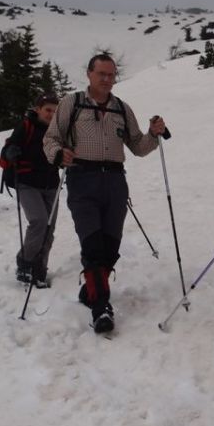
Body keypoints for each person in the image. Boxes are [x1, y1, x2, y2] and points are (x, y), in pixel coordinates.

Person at [43, 53, 166, 333]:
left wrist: (153, 134)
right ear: (89, 74)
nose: (108, 80)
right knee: (93, 244)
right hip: (82, 178)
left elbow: (138, 145)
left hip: (114, 181)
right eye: (102, 74)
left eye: (111, 75)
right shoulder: (71, 104)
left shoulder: (122, 108)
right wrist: (58, 154)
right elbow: (50, 138)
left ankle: (92, 290)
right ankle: (101, 308)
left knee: (111, 246)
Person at [3, 94, 62, 288]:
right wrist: (10, 152)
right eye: (48, 110)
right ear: (38, 109)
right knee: (39, 221)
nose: (51, 114)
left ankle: (39, 269)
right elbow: (8, 149)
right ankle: (25, 263)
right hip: (27, 183)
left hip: (51, 183)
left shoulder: (59, 130)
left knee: (49, 229)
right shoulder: (26, 126)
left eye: (55, 111)